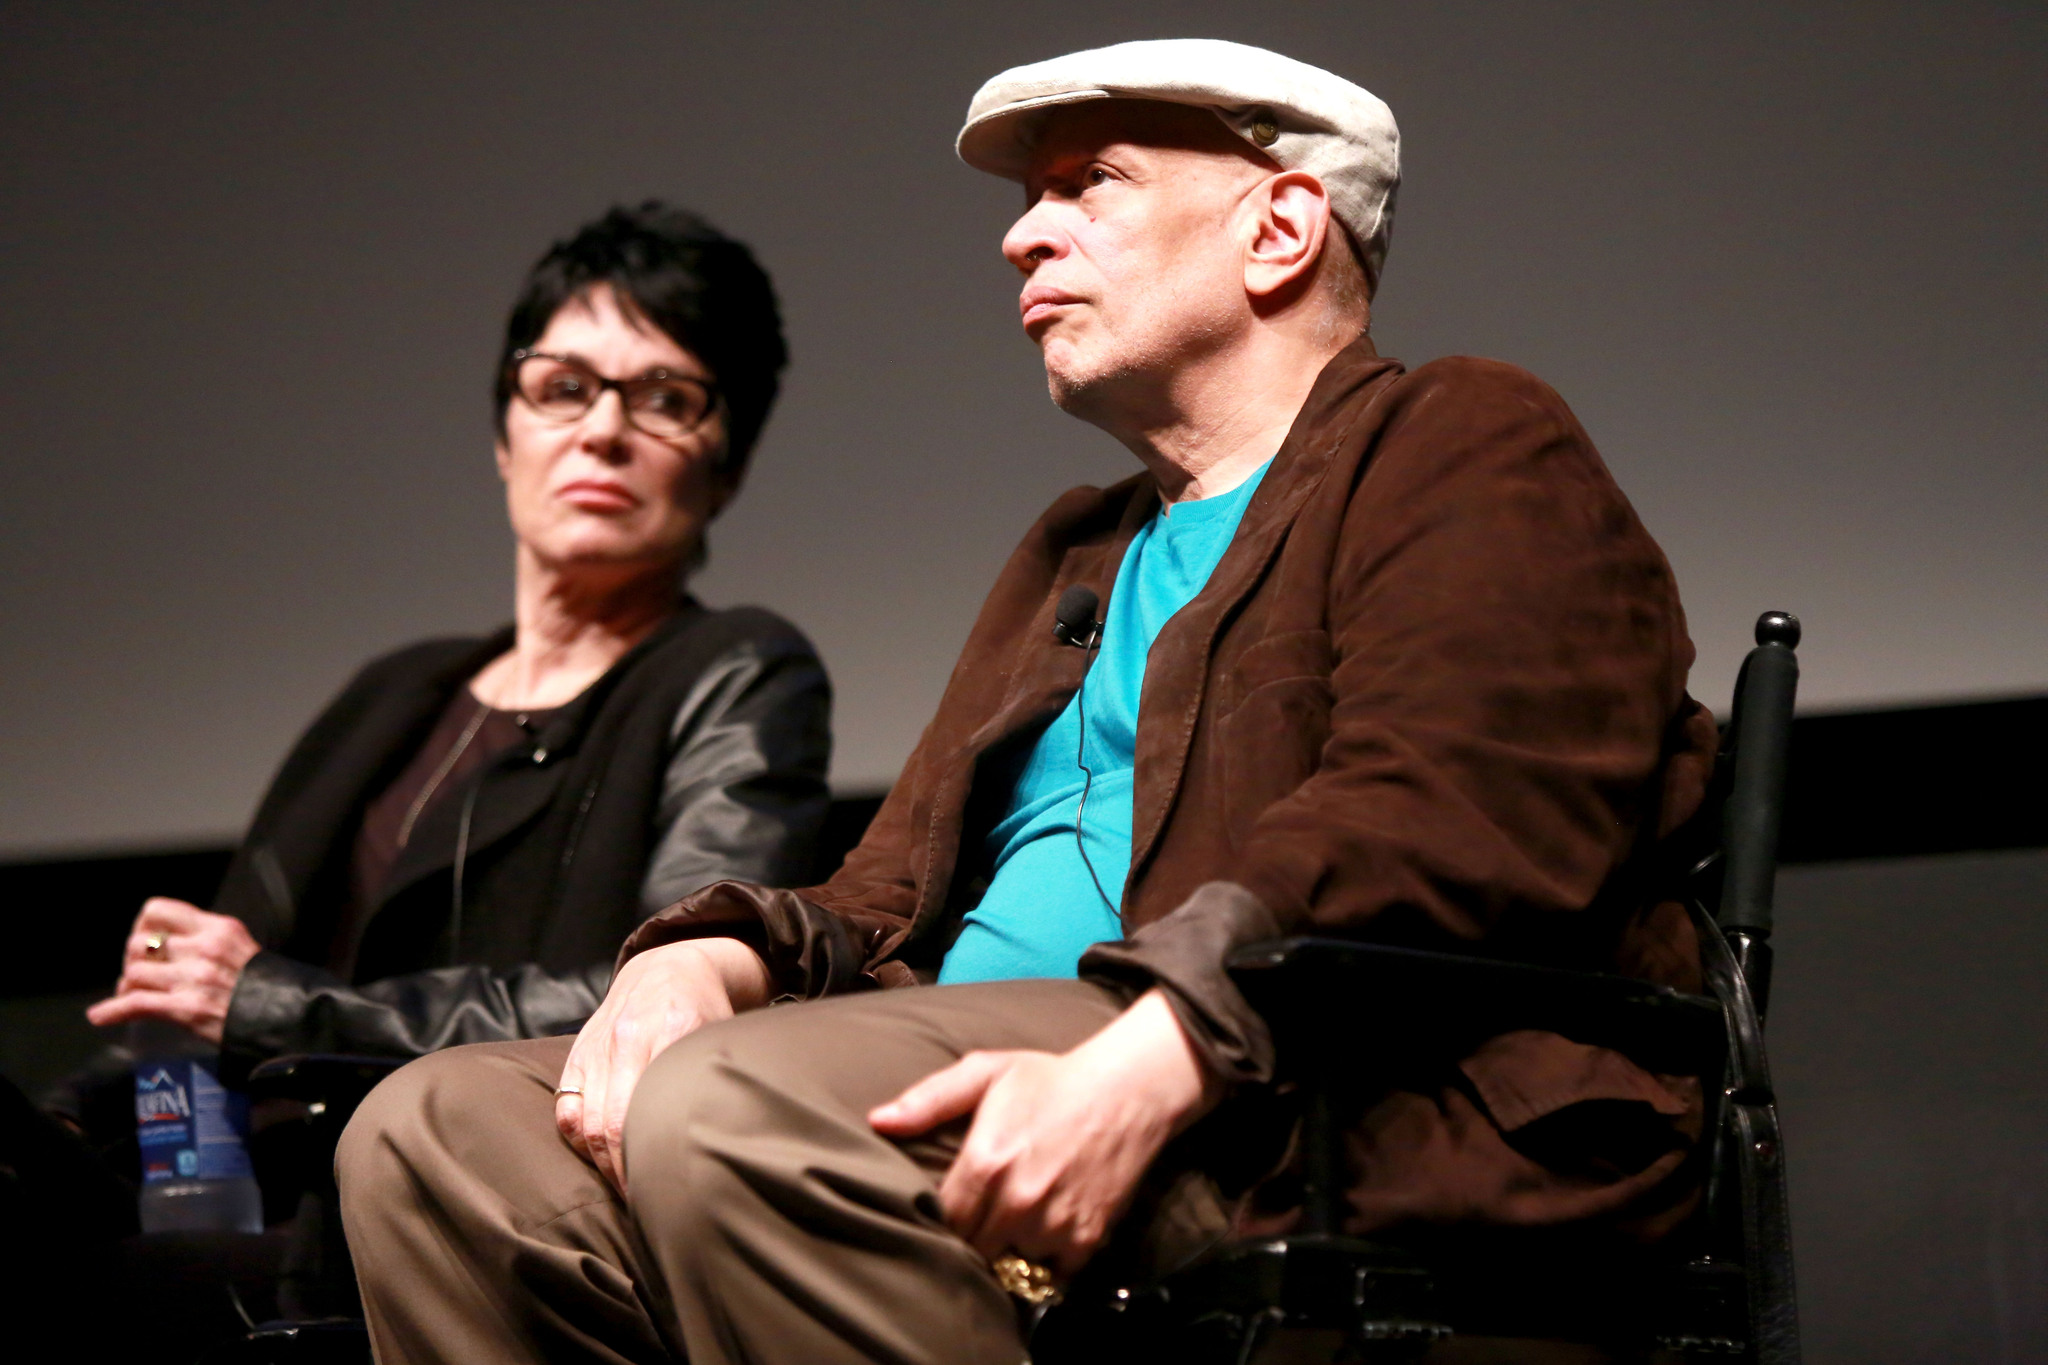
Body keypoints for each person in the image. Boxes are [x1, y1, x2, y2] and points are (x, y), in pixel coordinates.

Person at [338, 40, 1721, 1365]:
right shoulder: (1081, 548)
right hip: (973, 1064)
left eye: (1089, 183)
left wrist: (1167, 1043)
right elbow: (891, 883)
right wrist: (708, 956)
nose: (1022, 235)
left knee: (734, 1104)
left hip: (1301, 1106)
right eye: (1030, 199)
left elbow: (1457, 812)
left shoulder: (1459, 435)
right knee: (435, 1132)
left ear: (1281, 230)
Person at [8, 202, 831, 1338]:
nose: (602, 431)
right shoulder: (397, 692)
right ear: (504, 430)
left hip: (461, 1209)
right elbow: (203, 1005)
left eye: (667, 400)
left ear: (723, 470)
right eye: (562, 386)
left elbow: (654, 998)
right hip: (247, 1193)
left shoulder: (737, 668)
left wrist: (272, 1004)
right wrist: (54, 1130)